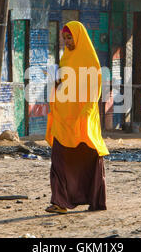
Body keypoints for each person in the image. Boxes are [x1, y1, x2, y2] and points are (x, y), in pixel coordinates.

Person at [45, 21, 109, 214]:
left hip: (81, 119)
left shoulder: (89, 59)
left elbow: (94, 89)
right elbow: (64, 85)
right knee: (59, 159)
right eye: (64, 38)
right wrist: (55, 81)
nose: (67, 41)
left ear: (79, 36)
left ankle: (95, 201)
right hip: (64, 118)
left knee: (89, 160)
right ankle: (60, 202)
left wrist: (86, 114)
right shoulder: (65, 59)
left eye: (69, 37)